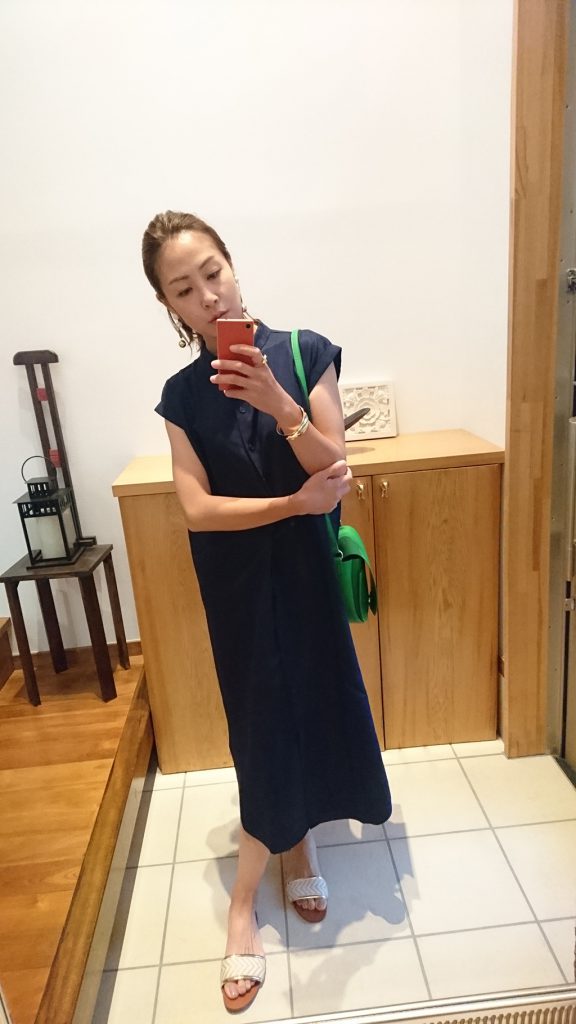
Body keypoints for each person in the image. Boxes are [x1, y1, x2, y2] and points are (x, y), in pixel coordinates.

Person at [142, 211, 392, 1013]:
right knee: (258, 724)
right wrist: (290, 504)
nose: (208, 296)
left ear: (233, 265)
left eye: (212, 273)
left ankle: (301, 846)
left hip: (308, 575)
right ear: (169, 306)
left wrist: (281, 403)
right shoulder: (181, 398)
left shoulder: (303, 352)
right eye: (184, 289)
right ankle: (244, 903)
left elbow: (335, 465)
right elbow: (196, 510)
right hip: (240, 583)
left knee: (316, 704)